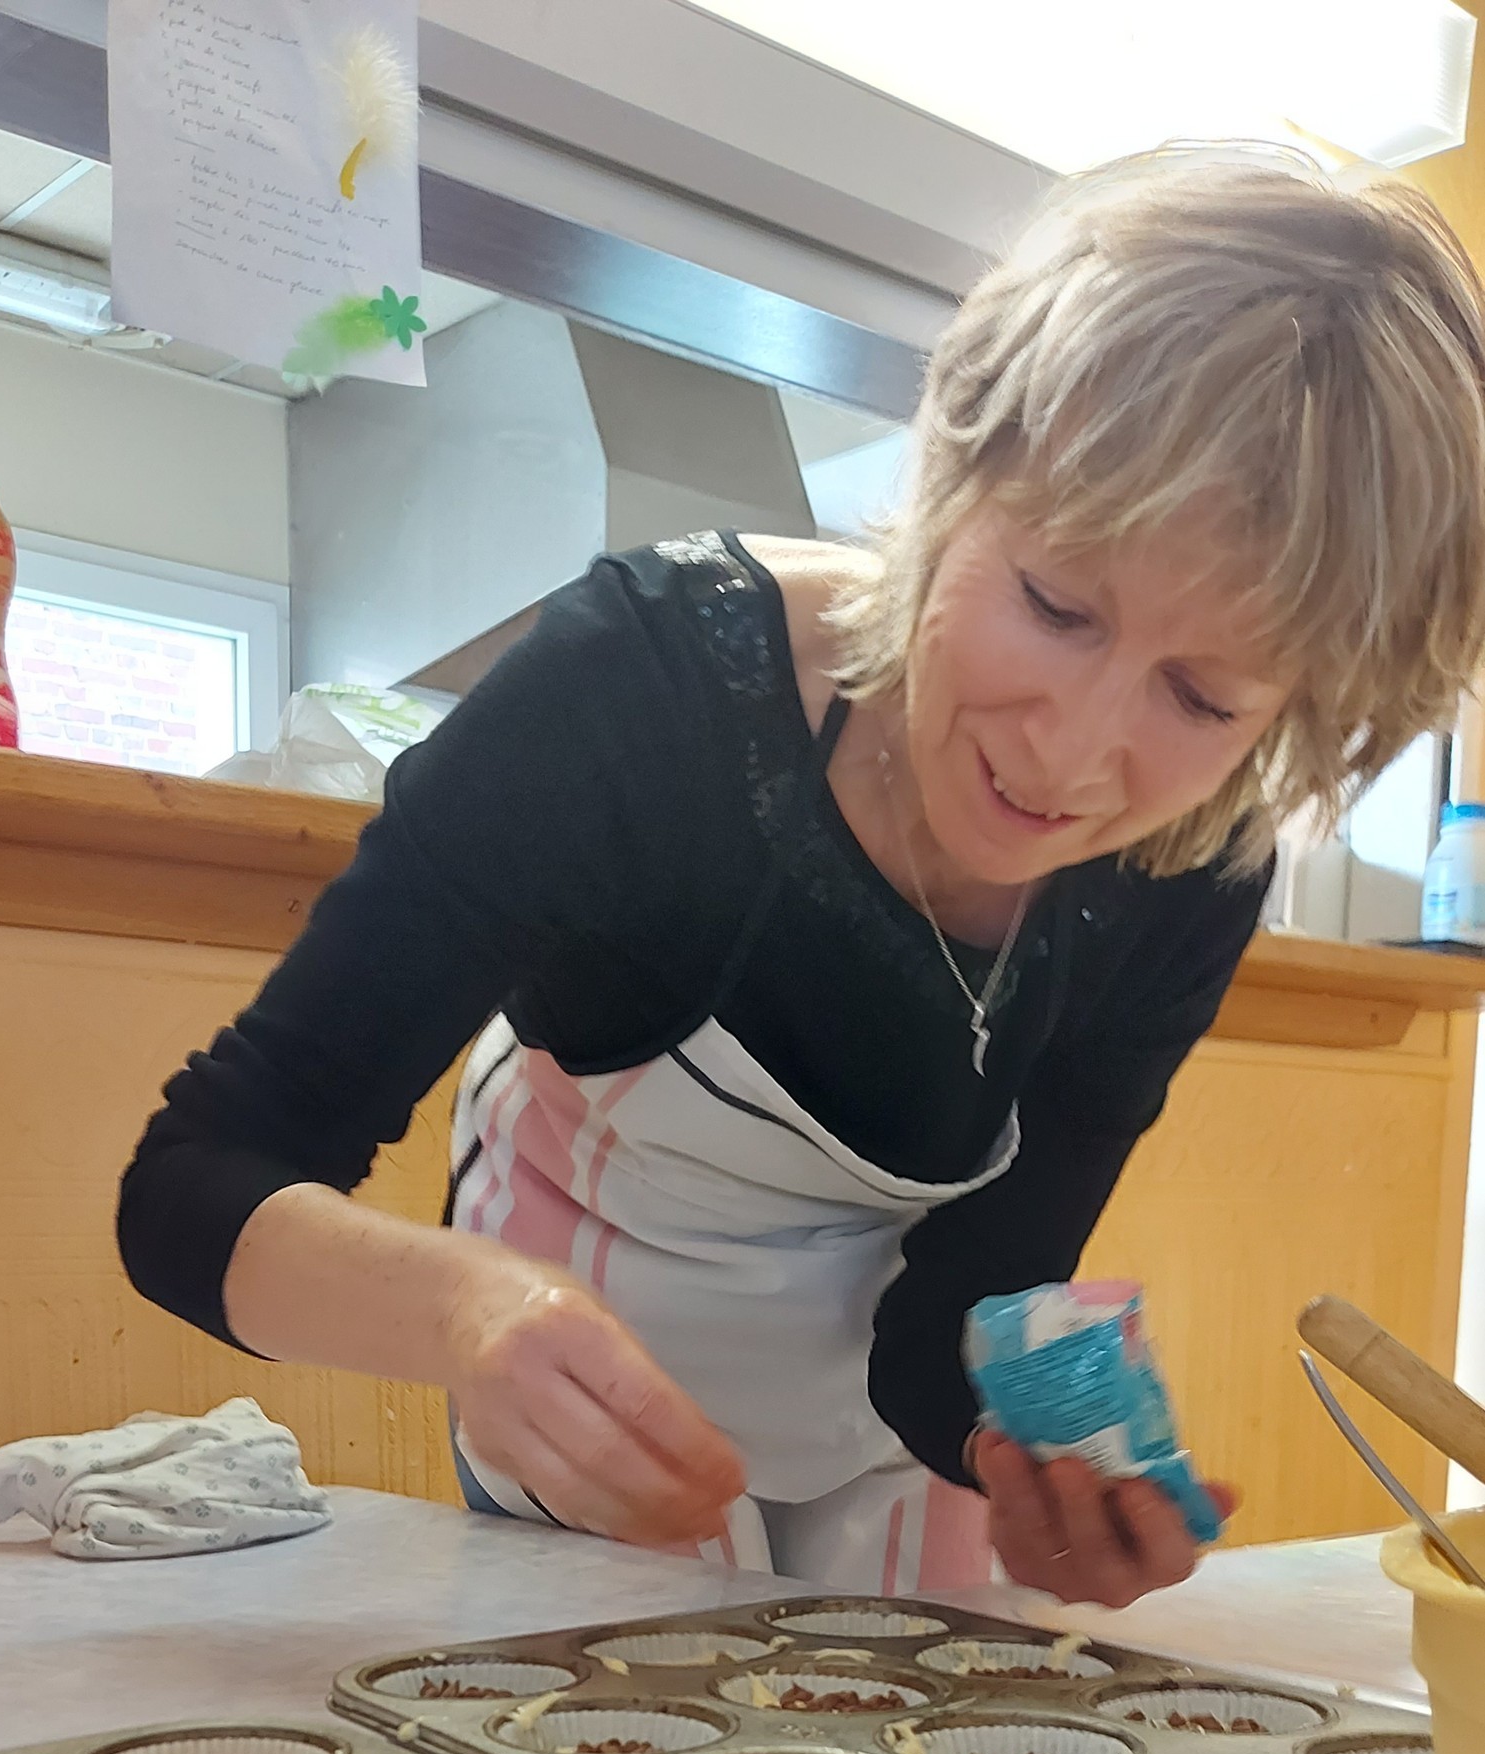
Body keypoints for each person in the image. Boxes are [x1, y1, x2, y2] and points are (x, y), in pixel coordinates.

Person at [119, 146, 1485, 1607]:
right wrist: (467, 1314)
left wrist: (1025, 1466)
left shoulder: (1188, 863)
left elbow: (953, 1305)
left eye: (1204, 700)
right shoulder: (635, 691)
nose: (1075, 757)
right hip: (586, 1376)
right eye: (1054, 603)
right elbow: (196, 1182)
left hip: (880, 1429)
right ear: (955, 465)